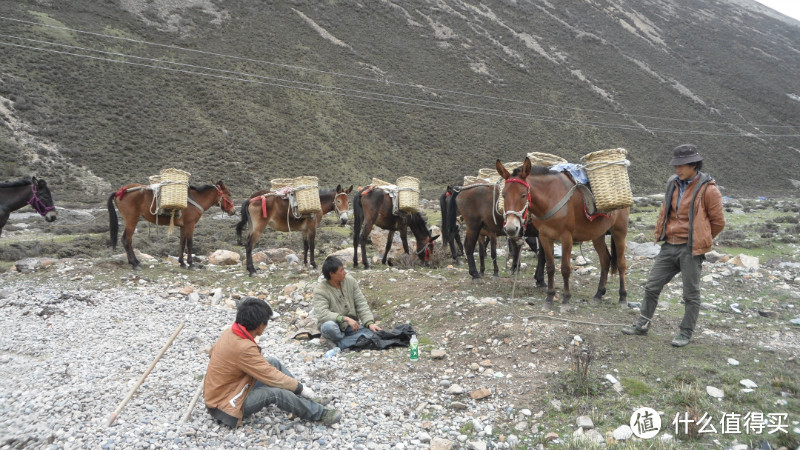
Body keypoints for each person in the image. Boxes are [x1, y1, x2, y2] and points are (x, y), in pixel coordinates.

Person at [622, 144, 725, 347]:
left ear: (694, 164)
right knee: (652, 286)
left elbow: (718, 222)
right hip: (669, 245)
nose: (678, 169)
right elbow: (666, 211)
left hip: (690, 249)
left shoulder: (709, 189)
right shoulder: (673, 183)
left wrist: (702, 238)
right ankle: (642, 325)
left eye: (682, 165)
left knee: (690, 294)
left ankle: (685, 333)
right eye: (676, 165)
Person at [204, 297, 341, 427]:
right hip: (225, 406)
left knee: (272, 362)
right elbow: (270, 375)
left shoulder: (231, 332)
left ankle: (303, 401)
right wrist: (300, 387)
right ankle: (320, 413)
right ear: (259, 325)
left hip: (228, 390)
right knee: (275, 393)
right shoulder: (244, 348)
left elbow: (212, 353)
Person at [313, 256, 381, 349]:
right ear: (332, 274)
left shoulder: (350, 281)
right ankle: (347, 340)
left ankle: (341, 343)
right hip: (334, 327)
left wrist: (369, 323)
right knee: (329, 327)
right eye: (341, 271)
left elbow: (361, 303)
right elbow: (322, 313)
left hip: (350, 327)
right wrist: (345, 319)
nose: (345, 273)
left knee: (372, 333)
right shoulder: (320, 290)